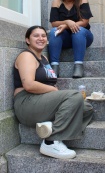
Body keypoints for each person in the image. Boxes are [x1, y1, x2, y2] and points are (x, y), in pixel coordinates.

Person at [13, 25, 93, 159]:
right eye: (36, 36)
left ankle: (51, 127)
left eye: (43, 36)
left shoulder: (44, 59)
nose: (41, 38)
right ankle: (50, 141)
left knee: (87, 108)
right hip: (26, 103)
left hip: (41, 101)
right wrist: (53, 90)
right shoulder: (26, 56)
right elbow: (29, 84)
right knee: (74, 96)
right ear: (27, 40)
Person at [48, 0, 94, 78]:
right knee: (54, 31)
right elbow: (54, 23)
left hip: (83, 37)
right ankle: (54, 67)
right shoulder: (56, 2)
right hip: (65, 39)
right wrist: (67, 21)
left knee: (78, 31)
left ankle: (78, 66)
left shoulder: (82, 0)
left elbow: (85, 22)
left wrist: (66, 25)